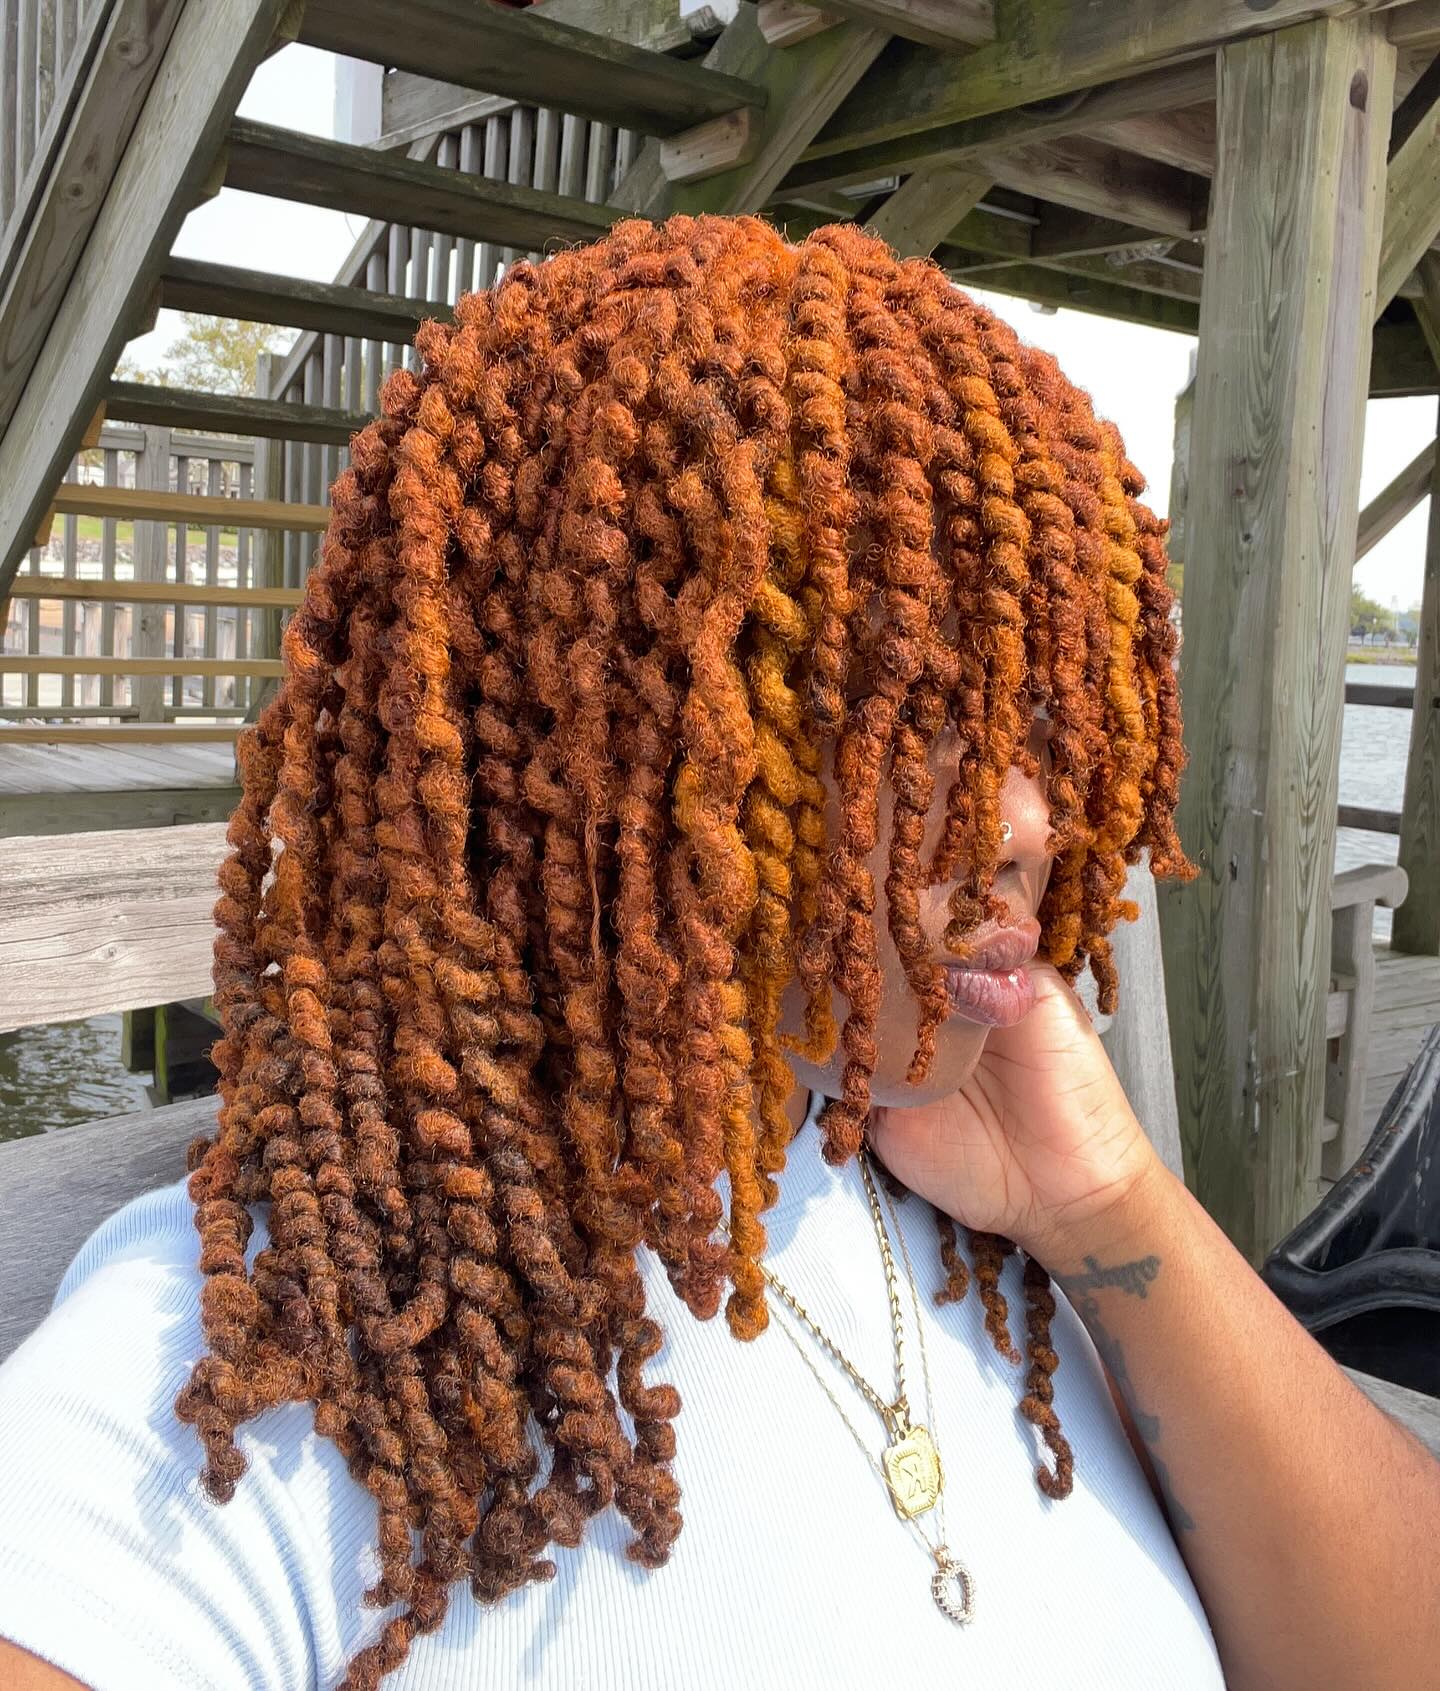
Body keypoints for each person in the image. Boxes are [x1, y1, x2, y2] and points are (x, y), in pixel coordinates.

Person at [0, 215, 1436, 1691]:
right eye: (892, 716)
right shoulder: (277, 1363)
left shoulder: (970, 1208)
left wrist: (1107, 1202)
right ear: (606, 735)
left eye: (1032, 721)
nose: (1028, 819)